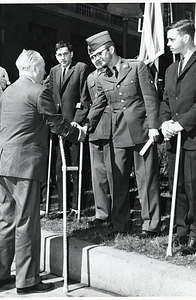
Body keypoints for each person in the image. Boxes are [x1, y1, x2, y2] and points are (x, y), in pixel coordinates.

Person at [0, 49, 86, 294]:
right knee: (27, 222)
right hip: (25, 164)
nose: (44, 73)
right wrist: (78, 134)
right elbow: (54, 122)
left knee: (5, 220)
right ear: (33, 68)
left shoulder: (8, 91)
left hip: (3, 161)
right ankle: (27, 280)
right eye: (43, 68)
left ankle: (0, 275)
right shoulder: (38, 91)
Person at [85, 31, 161, 237]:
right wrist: (85, 126)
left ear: (111, 49)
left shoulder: (137, 67)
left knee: (146, 179)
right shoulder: (102, 77)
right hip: (118, 134)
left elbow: (150, 99)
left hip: (142, 131)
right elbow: (99, 104)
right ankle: (120, 224)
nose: (98, 58)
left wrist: (154, 126)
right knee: (118, 180)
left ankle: (150, 225)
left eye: (100, 53)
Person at [160, 20, 196, 255]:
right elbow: (165, 101)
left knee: (194, 188)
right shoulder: (171, 69)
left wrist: (181, 124)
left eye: (172, 39)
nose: (168, 44)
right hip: (174, 137)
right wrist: (165, 122)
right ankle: (180, 232)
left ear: (186, 38)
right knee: (177, 186)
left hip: (195, 137)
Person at [42, 41, 90, 220]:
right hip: (58, 126)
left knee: (77, 166)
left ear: (71, 54)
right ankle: (63, 207)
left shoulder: (80, 68)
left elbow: (85, 98)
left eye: (65, 54)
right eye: (59, 55)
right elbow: (50, 96)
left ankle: (78, 207)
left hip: (74, 126)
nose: (62, 58)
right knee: (59, 167)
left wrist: (77, 122)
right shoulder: (54, 71)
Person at [86, 46, 113, 227]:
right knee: (98, 175)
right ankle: (101, 213)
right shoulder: (90, 77)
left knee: (114, 174)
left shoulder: (113, 74)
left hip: (112, 129)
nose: (95, 59)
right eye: (91, 56)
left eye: (97, 55)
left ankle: (117, 213)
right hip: (94, 130)